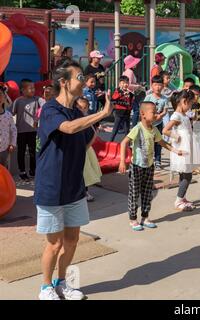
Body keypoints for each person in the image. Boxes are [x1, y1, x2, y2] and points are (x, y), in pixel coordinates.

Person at [35, 60, 113, 300]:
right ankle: (46, 287)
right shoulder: (50, 109)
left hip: (74, 187)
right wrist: (101, 113)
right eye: (79, 77)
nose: (84, 81)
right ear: (64, 82)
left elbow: (85, 140)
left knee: (72, 240)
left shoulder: (77, 111)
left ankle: (61, 283)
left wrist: (94, 124)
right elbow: (68, 129)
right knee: (55, 244)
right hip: (51, 188)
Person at [119, 101, 183, 231]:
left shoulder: (154, 130)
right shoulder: (137, 128)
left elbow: (162, 143)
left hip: (149, 166)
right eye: (153, 112)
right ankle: (133, 219)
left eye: (156, 112)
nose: (156, 115)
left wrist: (176, 151)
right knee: (134, 193)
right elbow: (124, 143)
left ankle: (145, 217)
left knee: (147, 193)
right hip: (136, 166)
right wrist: (122, 161)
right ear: (143, 114)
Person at [163, 90, 198, 211]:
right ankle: (178, 200)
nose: (190, 107)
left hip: (186, 147)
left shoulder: (183, 115)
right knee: (187, 176)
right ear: (184, 102)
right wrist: (176, 136)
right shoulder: (176, 116)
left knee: (184, 173)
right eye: (190, 104)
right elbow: (165, 130)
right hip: (182, 149)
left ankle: (182, 197)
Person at [12, 78, 43, 181]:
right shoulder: (18, 101)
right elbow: (10, 112)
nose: (33, 90)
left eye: (33, 87)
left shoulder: (37, 99)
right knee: (21, 152)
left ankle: (33, 170)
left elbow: (45, 105)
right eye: (30, 88)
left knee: (33, 151)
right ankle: (22, 171)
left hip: (33, 131)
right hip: (21, 131)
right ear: (23, 90)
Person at [75, 97, 102, 202]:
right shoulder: (74, 121)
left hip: (86, 150)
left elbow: (93, 134)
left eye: (84, 108)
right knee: (81, 172)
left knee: (85, 173)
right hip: (79, 150)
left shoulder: (88, 121)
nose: (82, 110)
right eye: (79, 108)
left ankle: (85, 192)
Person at [143, 75, 169, 169]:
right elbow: (144, 109)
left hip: (158, 124)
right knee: (148, 142)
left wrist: (160, 116)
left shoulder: (165, 99)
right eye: (155, 85)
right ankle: (148, 159)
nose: (157, 87)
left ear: (163, 86)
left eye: (159, 85)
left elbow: (165, 111)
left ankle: (158, 160)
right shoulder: (148, 97)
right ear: (152, 86)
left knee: (158, 142)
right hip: (148, 124)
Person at [110, 76, 134, 142]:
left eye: (127, 83)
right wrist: (122, 94)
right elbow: (113, 99)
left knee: (127, 130)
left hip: (127, 113)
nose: (125, 84)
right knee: (115, 128)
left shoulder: (130, 93)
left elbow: (131, 102)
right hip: (119, 113)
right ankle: (110, 141)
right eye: (123, 83)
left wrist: (130, 107)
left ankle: (128, 144)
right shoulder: (117, 91)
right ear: (119, 84)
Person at [0, 85, 16, 168]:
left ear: (4, 98)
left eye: (0, 95)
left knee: (4, 171)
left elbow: (13, 130)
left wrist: (12, 144)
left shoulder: (8, 115)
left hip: (4, 149)